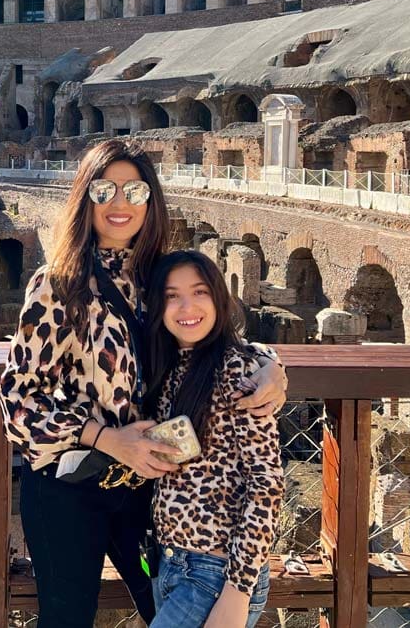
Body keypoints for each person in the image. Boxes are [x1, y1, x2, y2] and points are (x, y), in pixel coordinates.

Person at [0, 140, 286, 628]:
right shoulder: (58, 284)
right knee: (67, 619)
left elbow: (210, 338)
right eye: (105, 189)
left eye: (134, 191)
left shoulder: (158, 278)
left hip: (148, 486)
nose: (119, 203)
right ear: (84, 197)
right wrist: (110, 438)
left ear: (150, 200)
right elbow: (19, 400)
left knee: (169, 607)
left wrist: (269, 363)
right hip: (71, 486)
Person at [142, 250, 281, 628]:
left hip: (216, 572)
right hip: (170, 563)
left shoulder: (240, 371)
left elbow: (266, 483)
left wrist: (238, 590)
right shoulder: (168, 366)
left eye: (199, 291)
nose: (186, 306)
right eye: (172, 296)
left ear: (219, 297)